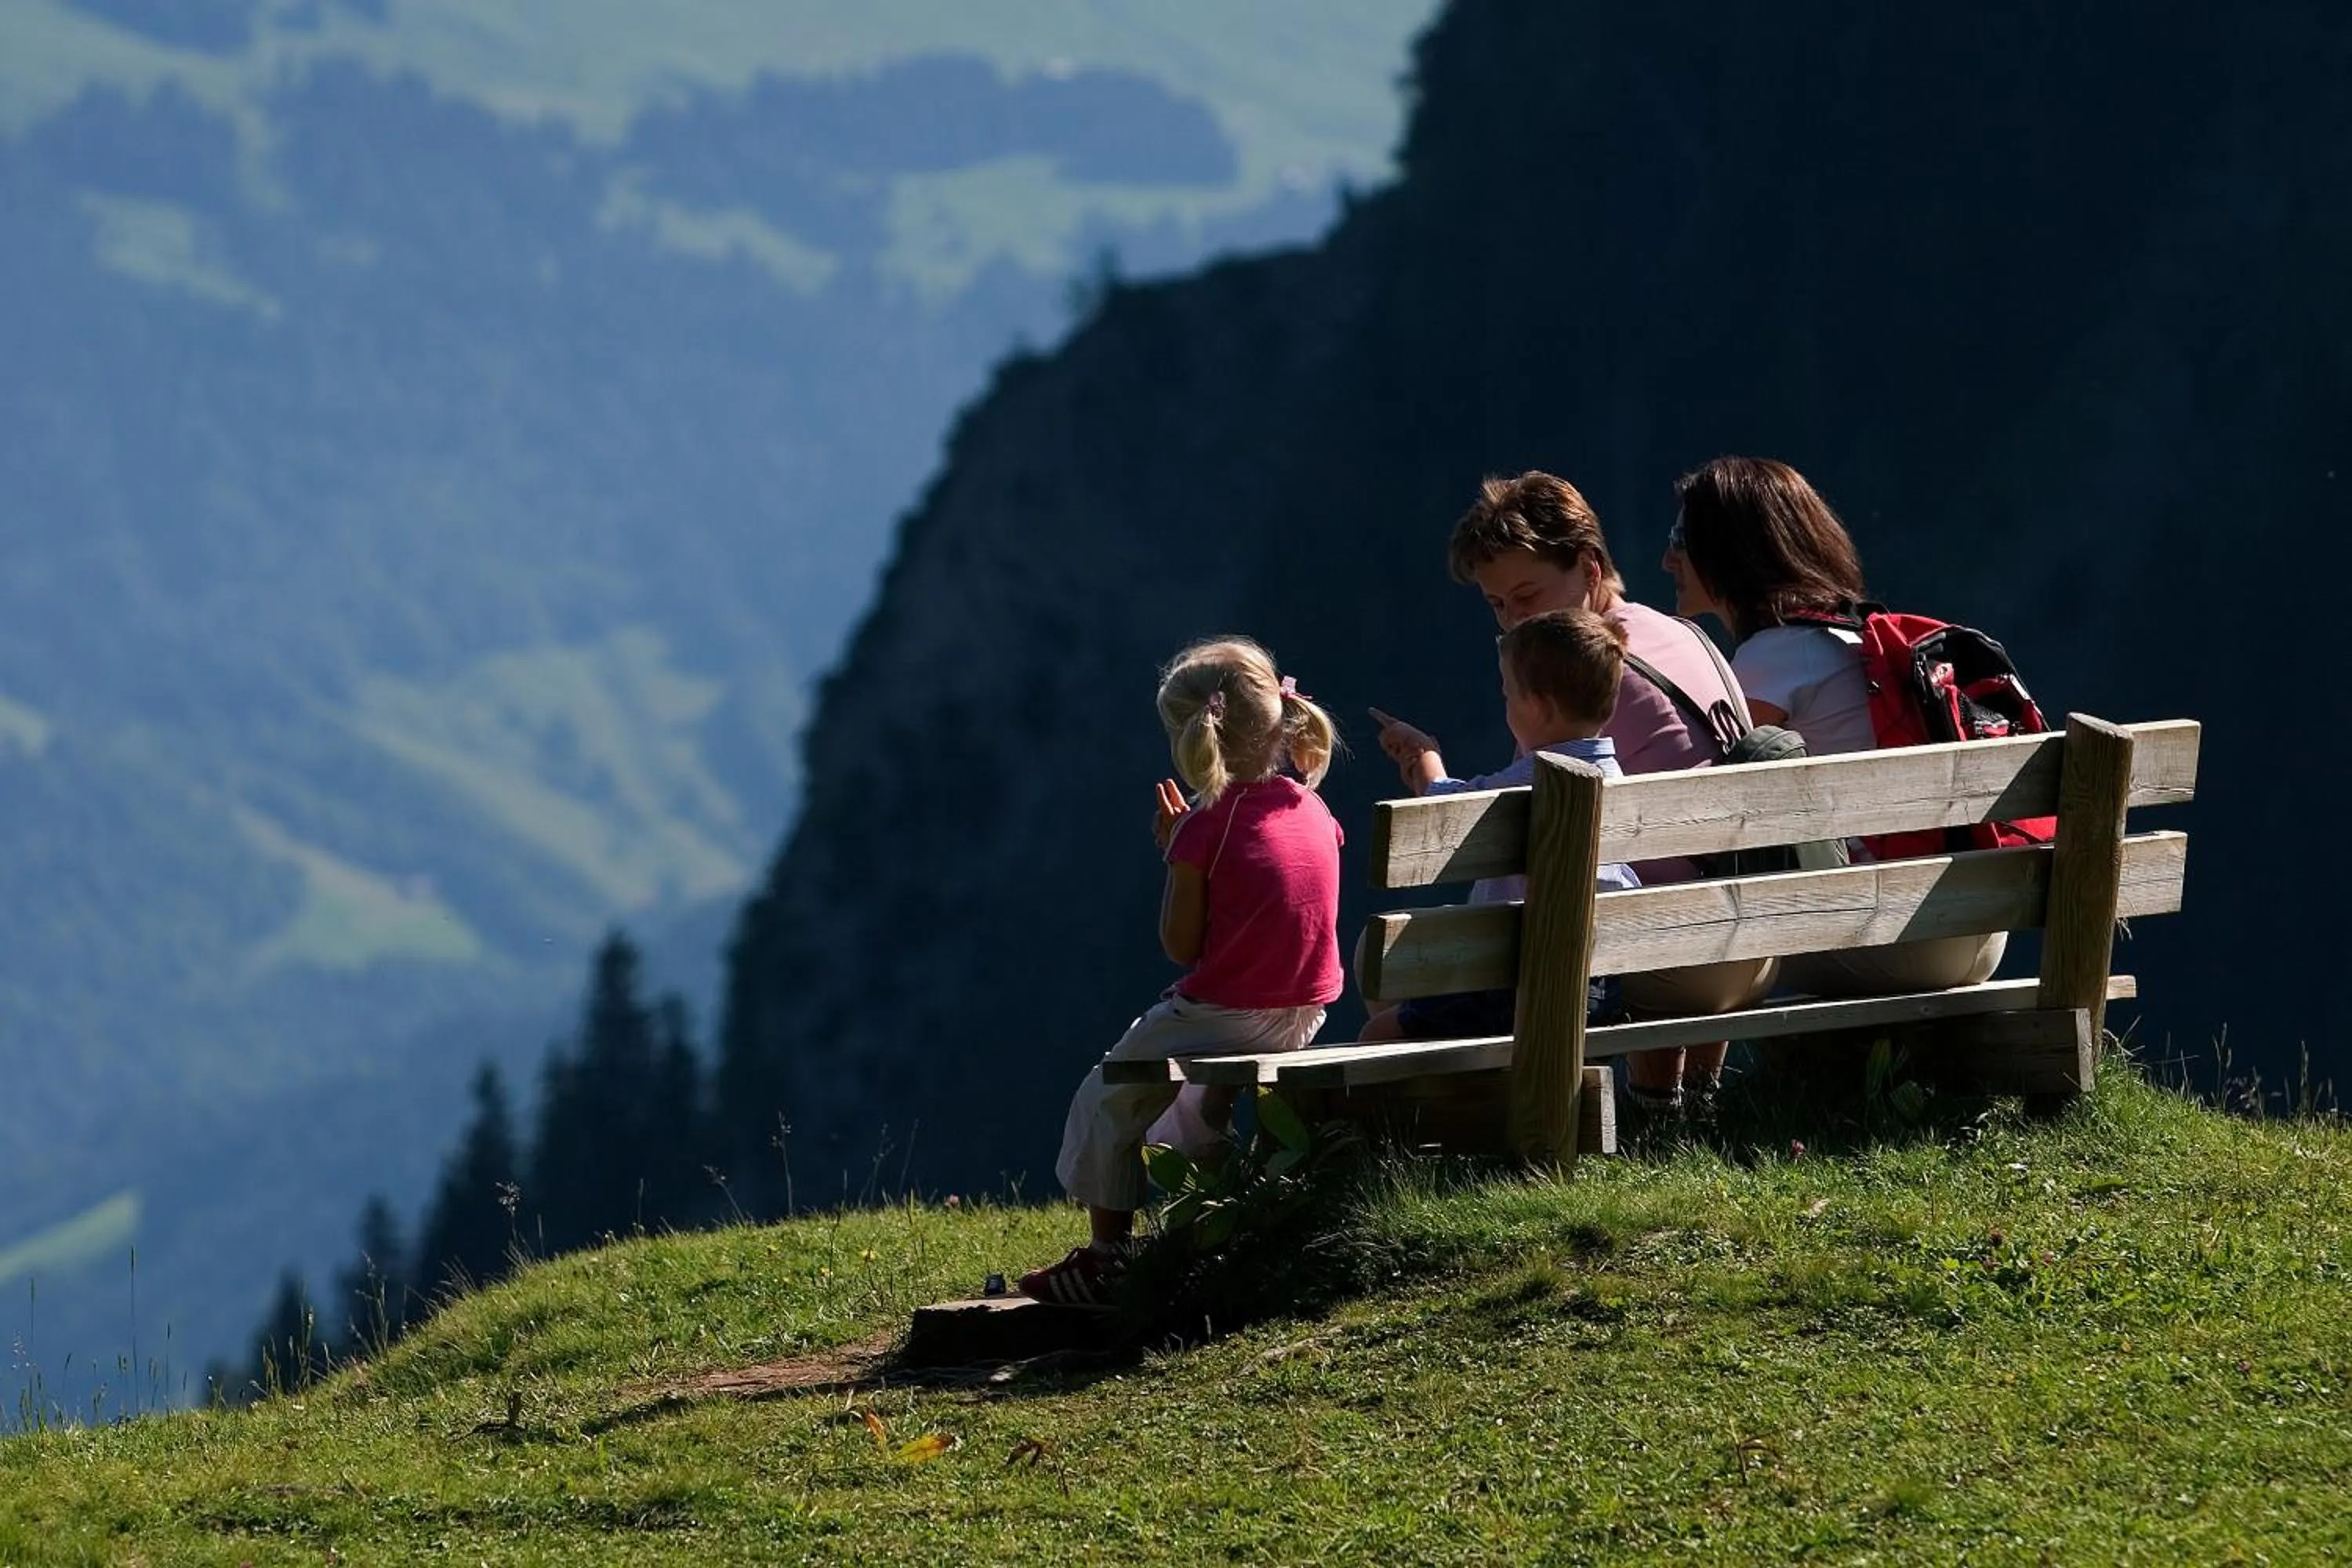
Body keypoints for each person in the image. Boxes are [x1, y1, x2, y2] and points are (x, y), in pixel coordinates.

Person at [1369, 472, 1777, 1119]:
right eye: (1497, 605)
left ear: (1589, 567)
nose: (1514, 620)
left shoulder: (1573, 677)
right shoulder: (1682, 634)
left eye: (1527, 595)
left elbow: (1505, 833)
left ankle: (1474, 1135)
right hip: (1761, 934)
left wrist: (1426, 769)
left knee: (1405, 965)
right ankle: (1682, 1110)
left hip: (1675, 946)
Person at [1018, 637, 1345, 1308]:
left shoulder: (1206, 827)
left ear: (1194, 737)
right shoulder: (1313, 806)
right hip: (1305, 1010)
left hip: (1228, 1014)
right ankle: (1215, 1224)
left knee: (1108, 1094)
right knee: (1196, 1103)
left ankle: (1108, 1258)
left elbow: (1180, 945)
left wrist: (1178, 856)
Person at [1661, 455, 2005, 993]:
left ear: (1731, 545)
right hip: (1978, 926)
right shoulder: (1851, 637)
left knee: (1689, 955)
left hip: (1909, 939)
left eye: (1681, 539)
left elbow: (1706, 799)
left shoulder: (1775, 658)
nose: (1667, 559)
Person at [1369, 608, 1641, 1041]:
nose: (1506, 704)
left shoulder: (1536, 778)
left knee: (1378, 1036)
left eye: (1509, 693)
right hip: (1602, 986)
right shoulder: (1616, 776)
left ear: (1540, 708)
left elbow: (1448, 811)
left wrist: (1424, 758)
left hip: (1515, 988)